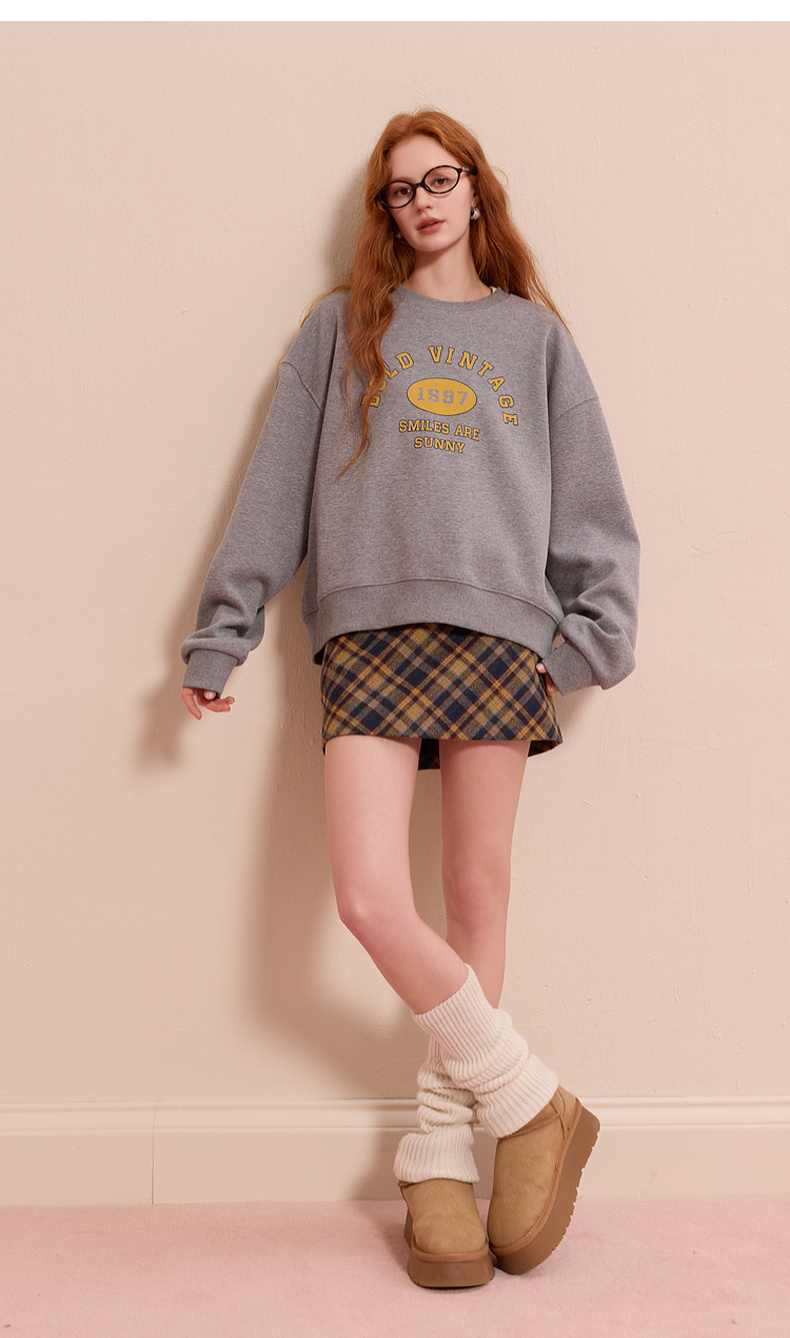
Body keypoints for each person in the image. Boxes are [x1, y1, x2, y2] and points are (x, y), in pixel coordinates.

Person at [181, 109, 639, 1289]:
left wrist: (585, 646)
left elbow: (594, 512)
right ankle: (528, 1099)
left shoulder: (533, 339)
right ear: (384, 210)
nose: (422, 202)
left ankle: (439, 1153)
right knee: (371, 899)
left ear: (477, 190)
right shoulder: (342, 327)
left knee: (475, 890)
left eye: (440, 180)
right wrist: (224, 630)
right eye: (400, 189)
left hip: (501, 635)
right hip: (369, 633)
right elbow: (273, 487)